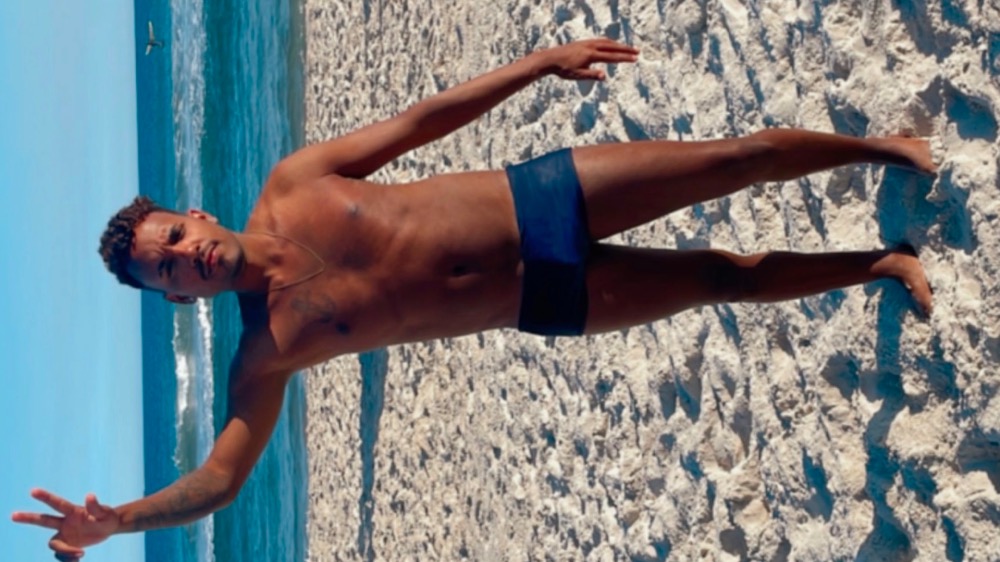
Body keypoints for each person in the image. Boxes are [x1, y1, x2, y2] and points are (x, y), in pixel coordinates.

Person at [12, 38, 935, 559]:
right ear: (177, 301)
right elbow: (221, 481)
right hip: (547, 298)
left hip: (541, 200)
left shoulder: (294, 183)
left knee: (731, 160)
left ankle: (887, 149)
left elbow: (419, 123)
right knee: (718, 278)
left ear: (195, 214)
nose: (187, 260)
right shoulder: (267, 353)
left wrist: (537, 64)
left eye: (174, 240)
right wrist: (122, 519)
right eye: (168, 273)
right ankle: (881, 263)